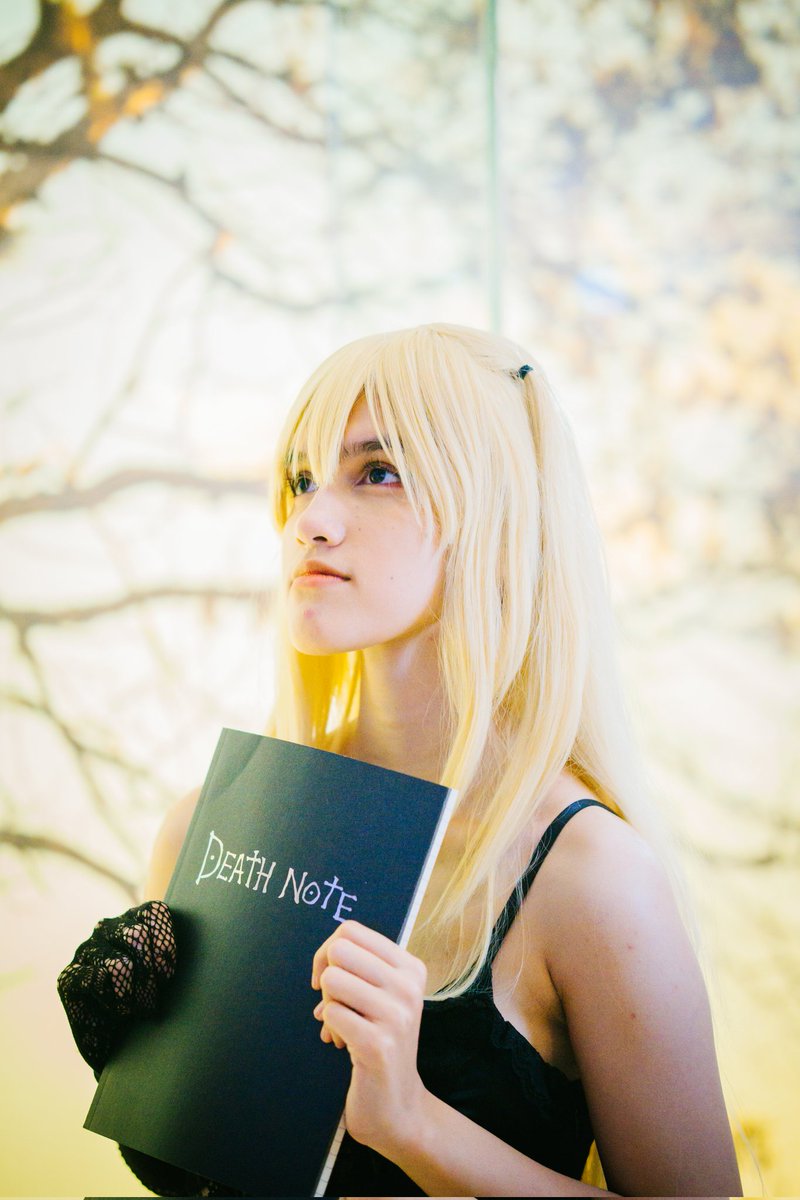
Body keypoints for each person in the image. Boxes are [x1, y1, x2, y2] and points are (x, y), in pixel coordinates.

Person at [59, 323, 742, 1197]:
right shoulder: (209, 831)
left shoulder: (589, 877)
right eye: (301, 479)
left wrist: (413, 1122)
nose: (310, 521)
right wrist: (144, 1080)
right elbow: (199, 1173)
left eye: (378, 472)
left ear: (497, 516)